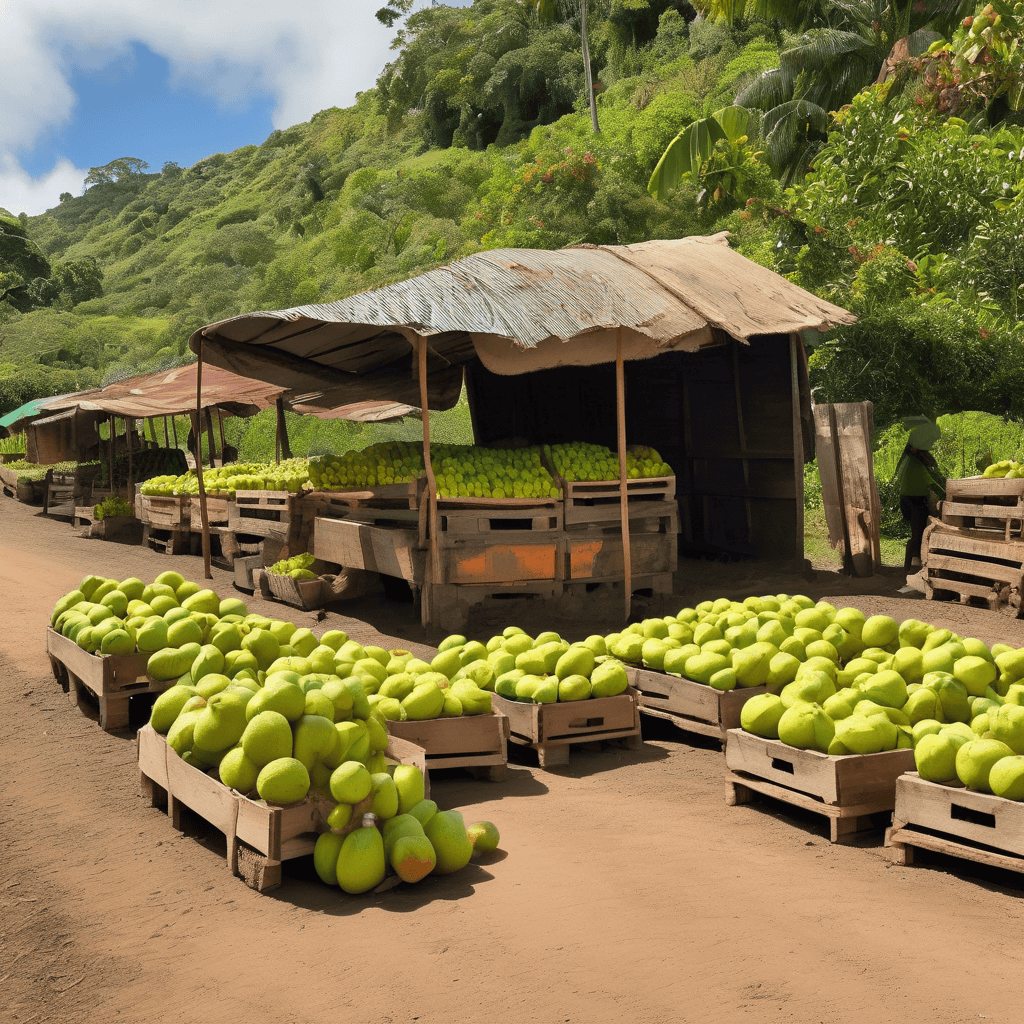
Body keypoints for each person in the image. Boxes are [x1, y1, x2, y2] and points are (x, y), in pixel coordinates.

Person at [895, 416, 946, 571]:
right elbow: (934, 482)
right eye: (931, 442)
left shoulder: (914, 458)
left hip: (908, 497)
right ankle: (906, 569)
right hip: (914, 499)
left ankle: (913, 563)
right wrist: (946, 493)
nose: (932, 444)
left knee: (918, 532)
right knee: (918, 536)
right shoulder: (917, 461)